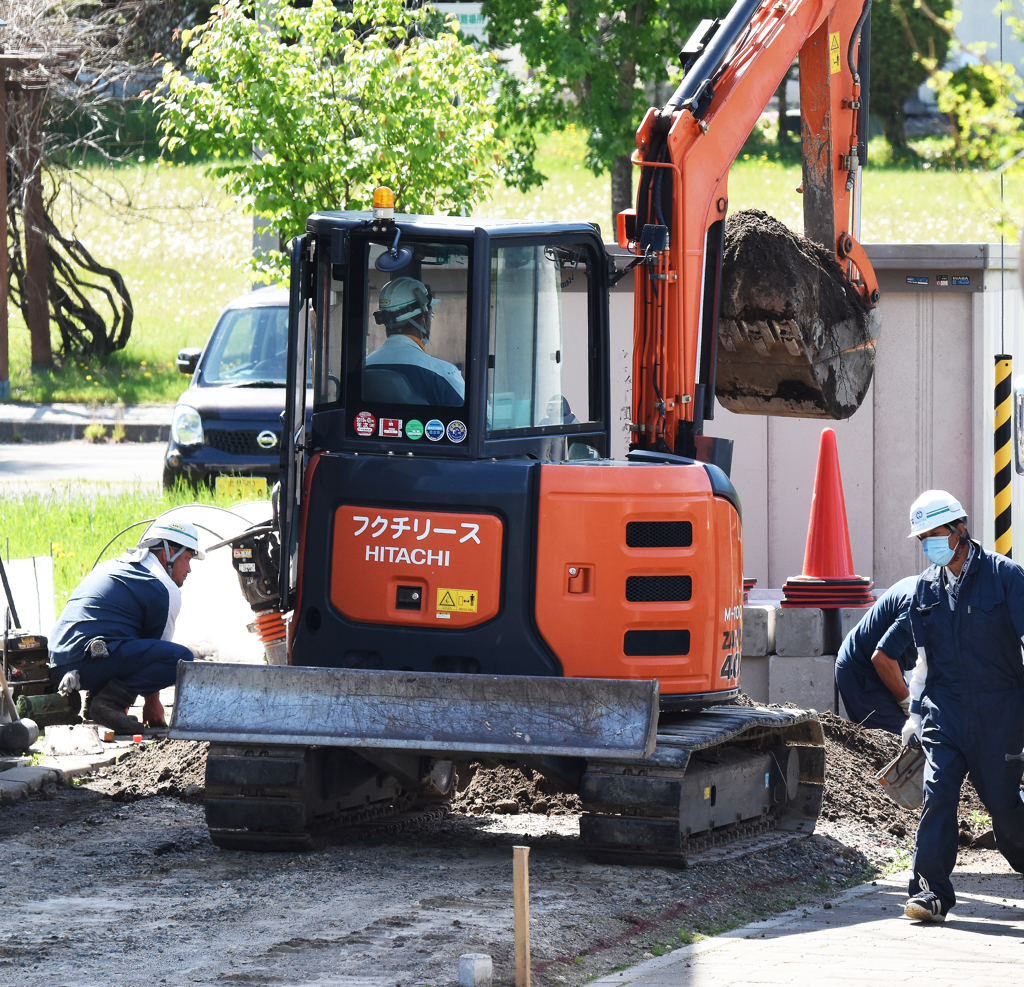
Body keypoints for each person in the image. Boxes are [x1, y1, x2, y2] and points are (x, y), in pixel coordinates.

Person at [901, 489, 1024, 922]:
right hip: (946, 711)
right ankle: (930, 893)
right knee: (938, 795)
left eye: (936, 534)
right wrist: (915, 714)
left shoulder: (1006, 577)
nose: (930, 544)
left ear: (960, 529)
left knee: (1002, 806)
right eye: (924, 539)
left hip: (999, 712)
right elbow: (923, 661)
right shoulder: (924, 588)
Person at [48, 520, 205, 734]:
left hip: (59, 663)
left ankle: (96, 704)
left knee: (120, 639)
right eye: (187, 558)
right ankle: (109, 704)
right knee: (181, 659)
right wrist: (152, 703)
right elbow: (157, 652)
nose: (189, 569)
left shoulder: (113, 565)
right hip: (89, 661)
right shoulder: (163, 587)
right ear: (168, 554)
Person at [834, 576, 918, 734]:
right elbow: (882, 658)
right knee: (905, 738)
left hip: (888, 668)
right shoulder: (918, 606)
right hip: (862, 672)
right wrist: (907, 701)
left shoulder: (939, 592)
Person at [367, 277, 464, 405]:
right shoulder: (442, 374)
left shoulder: (363, 367)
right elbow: (477, 415)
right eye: (429, 316)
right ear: (423, 320)